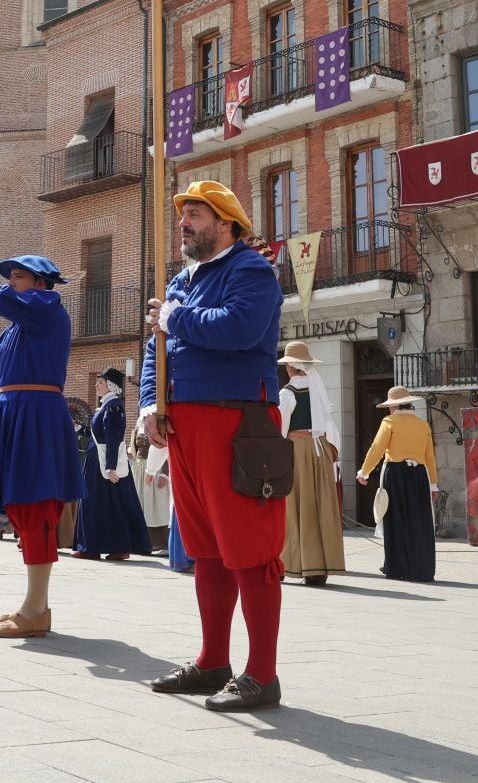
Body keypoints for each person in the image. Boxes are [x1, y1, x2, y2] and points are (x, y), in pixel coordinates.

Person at [139, 180, 287, 713]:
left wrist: (174, 317)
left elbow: (240, 330)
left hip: (236, 420)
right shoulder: (182, 279)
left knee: (250, 550)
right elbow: (156, 351)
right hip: (185, 424)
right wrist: (150, 404)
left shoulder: (250, 270)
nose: (184, 223)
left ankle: (262, 674)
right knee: (205, 550)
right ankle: (213, 660)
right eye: (183, 214)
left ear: (226, 223)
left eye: (195, 215)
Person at [0, 255, 85, 638]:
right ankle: (32, 605)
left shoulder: (46, 306)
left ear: (39, 283)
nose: (10, 284)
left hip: (35, 415)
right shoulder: (21, 324)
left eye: (17, 278)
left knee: (35, 508)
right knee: (22, 509)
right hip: (17, 414)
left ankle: (35, 609)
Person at [278, 343, 345, 585]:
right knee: (320, 508)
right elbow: (330, 427)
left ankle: (291, 564)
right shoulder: (318, 389)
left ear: (289, 367)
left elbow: (281, 429)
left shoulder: (287, 394)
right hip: (321, 452)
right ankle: (318, 569)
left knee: (294, 507)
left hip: (297, 451)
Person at [357, 385, 437, 583]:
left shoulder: (389, 421)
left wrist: (364, 471)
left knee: (396, 519)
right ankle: (421, 568)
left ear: (393, 406)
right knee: (418, 522)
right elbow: (430, 457)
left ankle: (396, 566)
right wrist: (433, 484)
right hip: (419, 475)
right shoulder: (423, 424)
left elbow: (377, 448)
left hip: (396, 473)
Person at [74, 367, 152, 561]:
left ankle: (113, 546)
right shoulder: (106, 406)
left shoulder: (114, 407)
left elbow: (113, 437)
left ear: (110, 386)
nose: (96, 385)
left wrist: (110, 467)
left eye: (100, 383)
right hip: (96, 459)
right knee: (97, 503)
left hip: (105, 461)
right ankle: (92, 546)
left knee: (106, 503)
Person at [133, 434, 171, 553]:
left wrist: (165, 473)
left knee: (158, 505)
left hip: (156, 467)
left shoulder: (159, 422)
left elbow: (167, 448)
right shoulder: (140, 424)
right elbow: (134, 447)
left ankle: (163, 543)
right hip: (140, 468)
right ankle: (144, 542)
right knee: (142, 503)